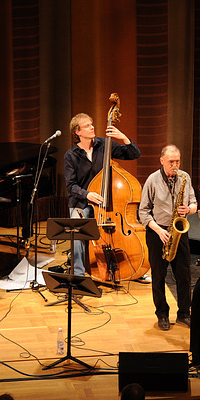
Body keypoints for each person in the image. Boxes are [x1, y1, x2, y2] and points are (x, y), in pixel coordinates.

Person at [63, 109, 142, 278]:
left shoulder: (104, 145)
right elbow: (71, 186)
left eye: (91, 124)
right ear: (77, 132)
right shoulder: (71, 155)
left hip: (105, 204)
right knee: (76, 232)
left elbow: (134, 154)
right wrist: (88, 195)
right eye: (87, 126)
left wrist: (123, 138)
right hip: (81, 203)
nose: (92, 127)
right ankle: (78, 275)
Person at [139, 145, 197, 331]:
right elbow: (143, 212)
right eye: (171, 162)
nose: (175, 165)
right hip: (158, 232)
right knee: (158, 276)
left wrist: (189, 209)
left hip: (179, 231)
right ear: (162, 160)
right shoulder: (152, 180)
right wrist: (158, 230)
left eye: (177, 161)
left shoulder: (185, 177)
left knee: (184, 276)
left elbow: (194, 203)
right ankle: (162, 314)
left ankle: (184, 314)